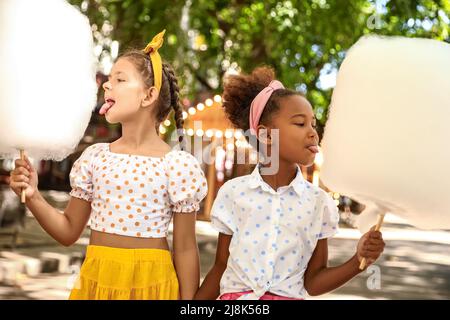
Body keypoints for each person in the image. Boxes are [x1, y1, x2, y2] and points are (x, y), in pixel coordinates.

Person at [9, 30, 207, 300]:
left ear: (148, 96)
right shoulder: (95, 157)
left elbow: (185, 248)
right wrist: (32, 196)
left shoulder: (177, 166)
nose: (106, 85)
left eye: (120, 79)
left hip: (154, 287)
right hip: (96, 284)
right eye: (108, 79)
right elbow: (68, 231)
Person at [194, 67, 385, 300]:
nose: (313, 133)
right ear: (266, 135)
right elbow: (220, 267)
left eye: (313, 124)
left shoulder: (318, 203)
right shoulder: (233, 193)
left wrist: (359, 261)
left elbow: (314, 283)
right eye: (300, 123)